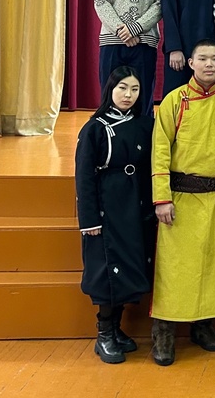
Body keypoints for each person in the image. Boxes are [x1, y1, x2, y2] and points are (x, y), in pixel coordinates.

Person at [150, 39, 215, 366]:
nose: (208, 64)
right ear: (190, 63)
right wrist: (162, 198)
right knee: (175, 268)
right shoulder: (174, 100)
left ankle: (203, 326)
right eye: (202, 59)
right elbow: (160, 150)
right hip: (181, 197)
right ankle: (163, 333)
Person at [75, 66, 155, 364]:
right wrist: (90, 220)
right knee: (108, 270)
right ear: (110, 89)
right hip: (106, 209)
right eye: (122, 88)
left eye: (134, 89)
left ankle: (117, 329)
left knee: (129, 267)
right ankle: (104, 334)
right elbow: (84, 177)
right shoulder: (95, 128)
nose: (128, 95)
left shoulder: (145, 124)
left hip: (134, 207)